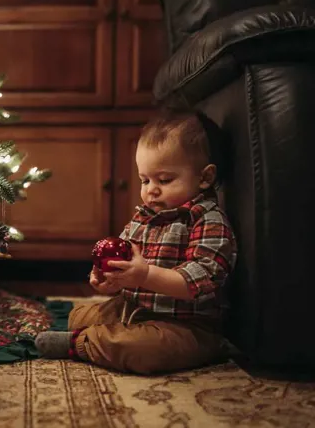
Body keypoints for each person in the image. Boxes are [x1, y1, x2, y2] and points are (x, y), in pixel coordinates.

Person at [35, 109, 237, 374]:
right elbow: (124, 263)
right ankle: (86, 326)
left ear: (204, 178)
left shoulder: (208, 221)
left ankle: (82, 343)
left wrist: (144, 275)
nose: (151, 189)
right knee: (88, 315)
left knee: (144, 350)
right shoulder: (144, 217)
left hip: (187, 324)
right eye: (145, 180)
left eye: (164, 180)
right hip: (134, 307)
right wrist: (108, 277)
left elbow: (197, 283)